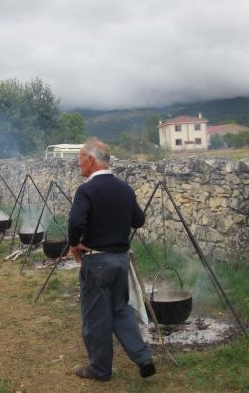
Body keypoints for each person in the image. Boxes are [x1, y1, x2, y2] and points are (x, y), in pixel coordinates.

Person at [68, 138, 155, 382]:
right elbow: (138, 220)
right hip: (120, 260)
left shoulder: (86, 190)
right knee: (120, 310)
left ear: (91, 160)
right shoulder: (125, 189)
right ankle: (143, 358)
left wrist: (74, 244)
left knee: (96, 317)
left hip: (97, 262)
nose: (78, 164)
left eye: (80, 159)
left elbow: (75, 221)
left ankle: (99, 369)